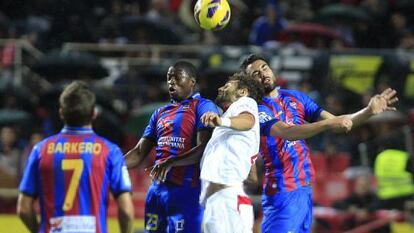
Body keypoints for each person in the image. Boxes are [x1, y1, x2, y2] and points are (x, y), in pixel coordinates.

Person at [241, 54, 399, 233]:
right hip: (282, 189)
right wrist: (327, 124)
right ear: (250, 83)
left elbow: (339, 123)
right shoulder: (256, 108)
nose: (263, 74)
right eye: (256, 74)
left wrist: (368, 111)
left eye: (264, 67)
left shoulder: (295, 97)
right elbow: (288, 132)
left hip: (304, 189)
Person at [151, 71, 264, 233]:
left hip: (228, 202)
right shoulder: (228, 131)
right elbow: (252, 178)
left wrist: (221, 121)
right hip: (216, 201)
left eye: (227, 85)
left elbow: (247, 120)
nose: (220, 88)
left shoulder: (246, 103)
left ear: (242, 91)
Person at [17, 81, 134, 233]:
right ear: (93, 113)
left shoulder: (40, 150)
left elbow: (23, 208)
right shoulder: (110, 152)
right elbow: (126, 210)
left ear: (61, 113)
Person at [124, 61, 219, 233]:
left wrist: (170, 162)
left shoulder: (203, 106)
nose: (171, 82)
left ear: (192, 81)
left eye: (177, 77)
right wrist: (109, 166)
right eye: (168, 78)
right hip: (156, 191)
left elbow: (204, 148)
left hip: (187, 191)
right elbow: (138, 153)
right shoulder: (160, 113)